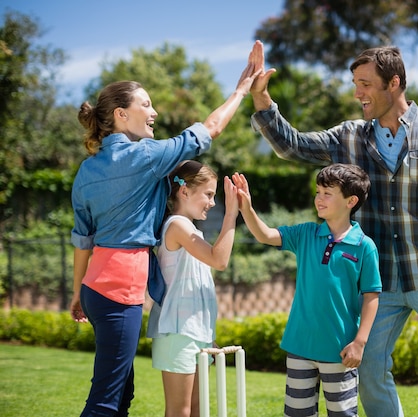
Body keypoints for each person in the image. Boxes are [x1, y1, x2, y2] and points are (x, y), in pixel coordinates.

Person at [248, 41, 418, 417]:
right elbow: (293, 146)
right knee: (370, 373)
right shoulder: (349, 137)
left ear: (394, 83)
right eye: (355, 83)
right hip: (379, 284)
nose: (358, 93)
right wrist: (263, 101)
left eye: (366, 84)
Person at [69, 42, 261, 417]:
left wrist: (78, 293)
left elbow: (83, 240)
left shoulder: (87, 170)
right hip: (120, 288)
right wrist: (241, 90)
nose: (154, 112)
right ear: (122, 114)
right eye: (146, 104)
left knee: (120, 394)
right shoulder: (145, 157)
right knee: (107, 399)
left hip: (96, 287)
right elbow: (212, 128)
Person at [232, 164, 382, 417]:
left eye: (327, 193)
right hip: (300, 345)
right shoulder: (305, 234)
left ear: (351, 201)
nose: (319, 199)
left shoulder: (364, 246)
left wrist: (360, 342)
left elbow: (371, 296)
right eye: (318, 192)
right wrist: (246, 208)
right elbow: (265, 235)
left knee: (342, 414)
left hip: (340, 350)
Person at [146, 160, 237, 417]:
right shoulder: (178, 225)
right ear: (184, 191)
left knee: (197, 409)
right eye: (208, 194)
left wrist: (207, 334)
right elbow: (219, 260)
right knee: (180, 412)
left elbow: (197, 287)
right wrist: (231, 214)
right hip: (177, 332)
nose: (213, 202)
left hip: (194, 333)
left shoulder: (191, 229)